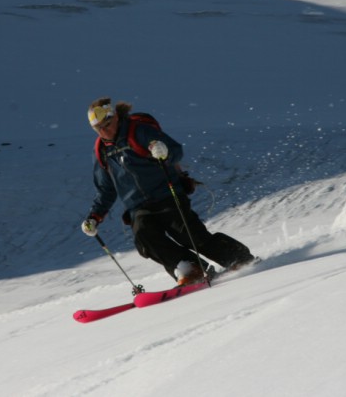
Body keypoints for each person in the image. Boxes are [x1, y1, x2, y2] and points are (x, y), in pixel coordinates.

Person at [81, 97, 255, 286]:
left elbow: (175, 151)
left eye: (106, 124)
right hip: (138, 207)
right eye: (98, 128)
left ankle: (239, 259)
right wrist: (94, 216)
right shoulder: (101, 151)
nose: (104, 131)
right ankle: (190, 268)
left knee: (191, 235)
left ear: (115, 117)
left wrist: (163, 150)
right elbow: (106, 188)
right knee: (145, 239)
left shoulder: (138, 131)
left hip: (167, 195)